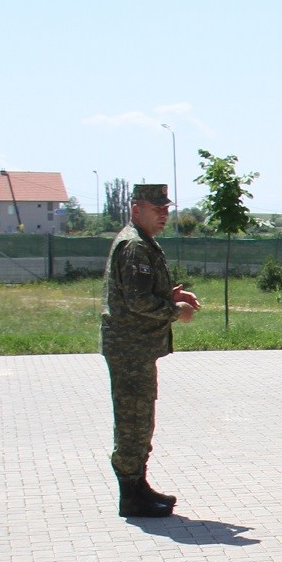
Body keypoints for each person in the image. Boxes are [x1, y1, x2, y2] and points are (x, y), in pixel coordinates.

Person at [100, 185, 199, 518]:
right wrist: (175, 310)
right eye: (155, 208)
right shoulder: (134, 246)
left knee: (141, 420)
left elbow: (139, 293)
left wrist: (170, 296)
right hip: (130, 349)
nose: (163, 214)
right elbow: (138, 301)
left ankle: (137, 486)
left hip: (136, 348)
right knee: (133, 422)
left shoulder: (143, 243)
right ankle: (130, 495)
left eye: (165, 208)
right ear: (135, 208)